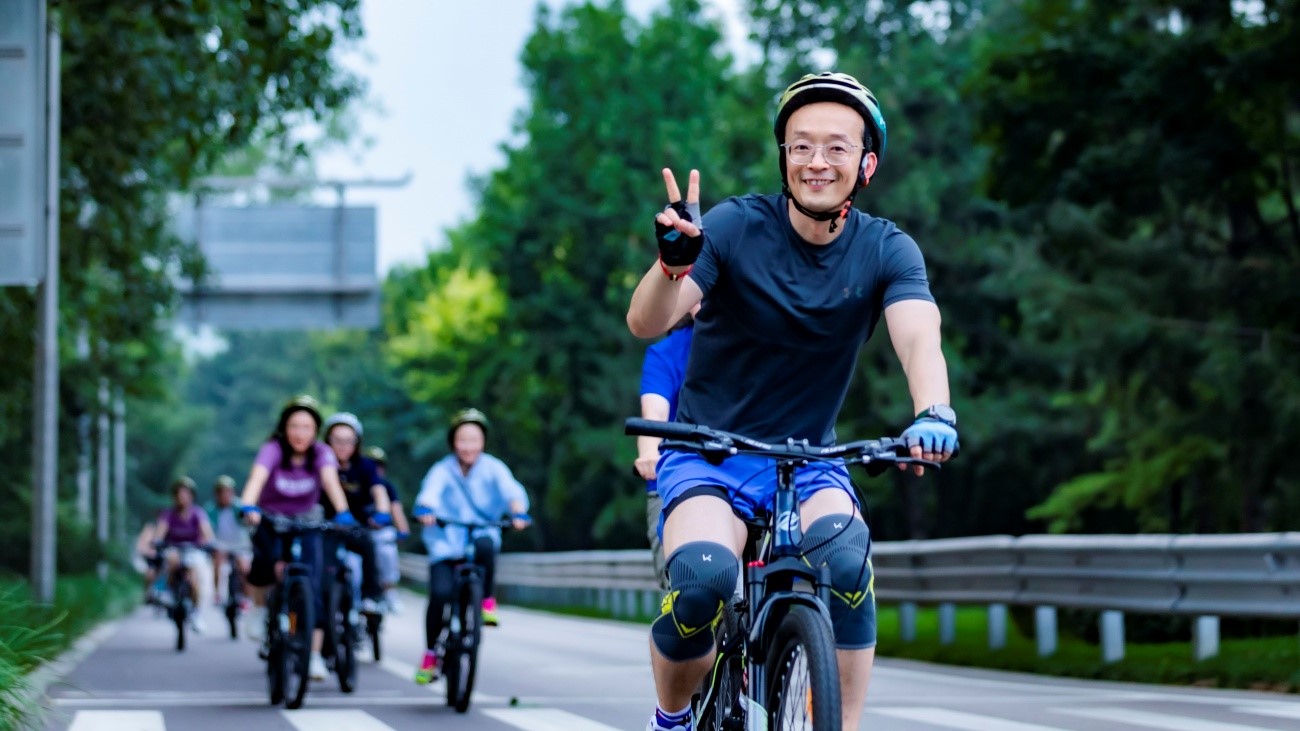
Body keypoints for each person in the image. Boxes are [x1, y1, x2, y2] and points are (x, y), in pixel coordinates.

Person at [625, 72, 959, 730]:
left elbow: (920, 339)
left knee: (847, 559)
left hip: (810, 457)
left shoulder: (886, 249)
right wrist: (671, 265)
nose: (816, 162)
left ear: (866, 163)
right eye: (801, 146)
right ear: (783, 156)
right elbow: (647, 322)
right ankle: (669, 717)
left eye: (836, 148)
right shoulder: (732, 227)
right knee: (703, 580)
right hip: (707, 452)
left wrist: (934, 411)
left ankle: (842, 723)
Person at [238, 395, 358, 682]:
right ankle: (258, 609)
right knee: (264, 562)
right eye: (294, 426)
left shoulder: (321, 453)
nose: (300, 433)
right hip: (271, 517)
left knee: (313, 586)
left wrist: (343, 513)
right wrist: (249, 505)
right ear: (284, 428)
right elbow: (256, 479)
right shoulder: (272, 449)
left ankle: (313, 656)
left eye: (306, 427)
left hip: (307, 520)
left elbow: (330, 482)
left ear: (315, 430)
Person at [411, 408, 530, 684]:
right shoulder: (442, 469)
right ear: (453, 442)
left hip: (480, 536)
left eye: (474, 439)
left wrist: (518, 513)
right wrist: (425, 509)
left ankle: (487, 600)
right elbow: (429, 494)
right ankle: (430, 653)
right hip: (445, 541)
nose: (468, 446)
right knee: (439, 595)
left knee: (487, 546)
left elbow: (512, 493)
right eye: (462, 439)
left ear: (483, 442)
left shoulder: (494, 467)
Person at [635, 305, 698, 590]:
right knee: (687, 591)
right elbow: (655, 416)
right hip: (676, 477)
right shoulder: (667, 353)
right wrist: (649, 453)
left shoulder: (756, 344)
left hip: (748, 476)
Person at [319, 412, 391, 615]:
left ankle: (370, 597)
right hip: (326, 526)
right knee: (324, 569)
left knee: (369, 545)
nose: (343, 446)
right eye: (337, 440)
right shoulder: (320, 464)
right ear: (328, 441)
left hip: (356, 525)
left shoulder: (366, 466)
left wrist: (383, 512)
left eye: (348, 441)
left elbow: (379, 490)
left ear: (357, 442)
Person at [154, 477, 216, 632]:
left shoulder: (198, 513)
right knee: (172, 559)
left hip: (193, 550)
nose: (181, 497)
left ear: (191, 496)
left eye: (185, 494)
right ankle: (167, 591)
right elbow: (160, 533)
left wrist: (208, 542)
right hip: (174, 549)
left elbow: (207, 533)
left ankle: (196, 614)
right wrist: (157, 541)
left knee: (195, 580)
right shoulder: (168, 514)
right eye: (178, 494)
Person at [364, 445, 411, 613]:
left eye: (379, 465)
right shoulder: (356, 483)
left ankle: (389, 589)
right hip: (360, 531)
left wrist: (403, 530)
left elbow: (396, 510)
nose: (375, 469)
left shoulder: (387, 486)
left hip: (382, 533)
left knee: (387, 552)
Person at [209, 475, 252, 606]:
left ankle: (246, 597)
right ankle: (217, 594)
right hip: (221, 544)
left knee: (244, 568)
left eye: (227, 491)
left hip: (241, 545)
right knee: (217, 562)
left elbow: (252, 513)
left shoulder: (239, 506)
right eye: (221, 492)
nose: (225, 495)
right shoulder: (211, 510)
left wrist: (249, 516)